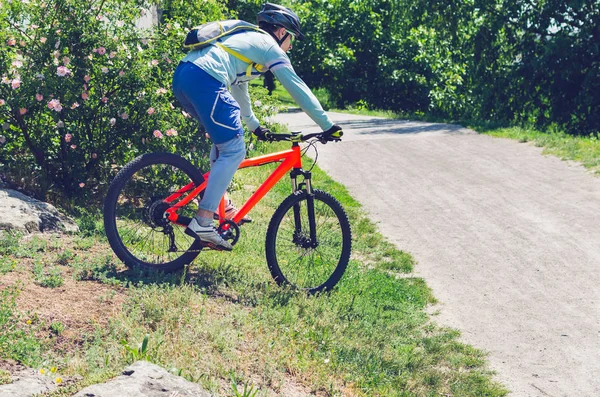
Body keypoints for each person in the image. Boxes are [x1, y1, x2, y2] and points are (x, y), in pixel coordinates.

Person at [172, 2, 342, 251]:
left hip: (185, 76)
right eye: (291, 38)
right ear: (282, 32)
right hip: (205, 79)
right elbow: (296, 87)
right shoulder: (268, 46)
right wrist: (327, 125)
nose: (291, 46)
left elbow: (240, 86)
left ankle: (221, 206)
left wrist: (254, 125)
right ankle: (204, 220)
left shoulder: (247, 40)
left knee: (224, 146)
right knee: (234, 150)